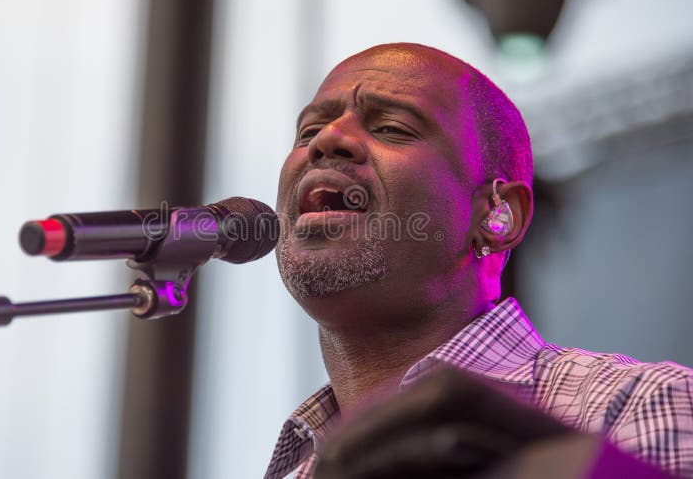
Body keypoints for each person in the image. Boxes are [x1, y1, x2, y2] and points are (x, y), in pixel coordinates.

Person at [266, 43, 693, 478]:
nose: (327, 140)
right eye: (307, 133)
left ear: (496, 215)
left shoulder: (640, 404)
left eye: (392, 127)